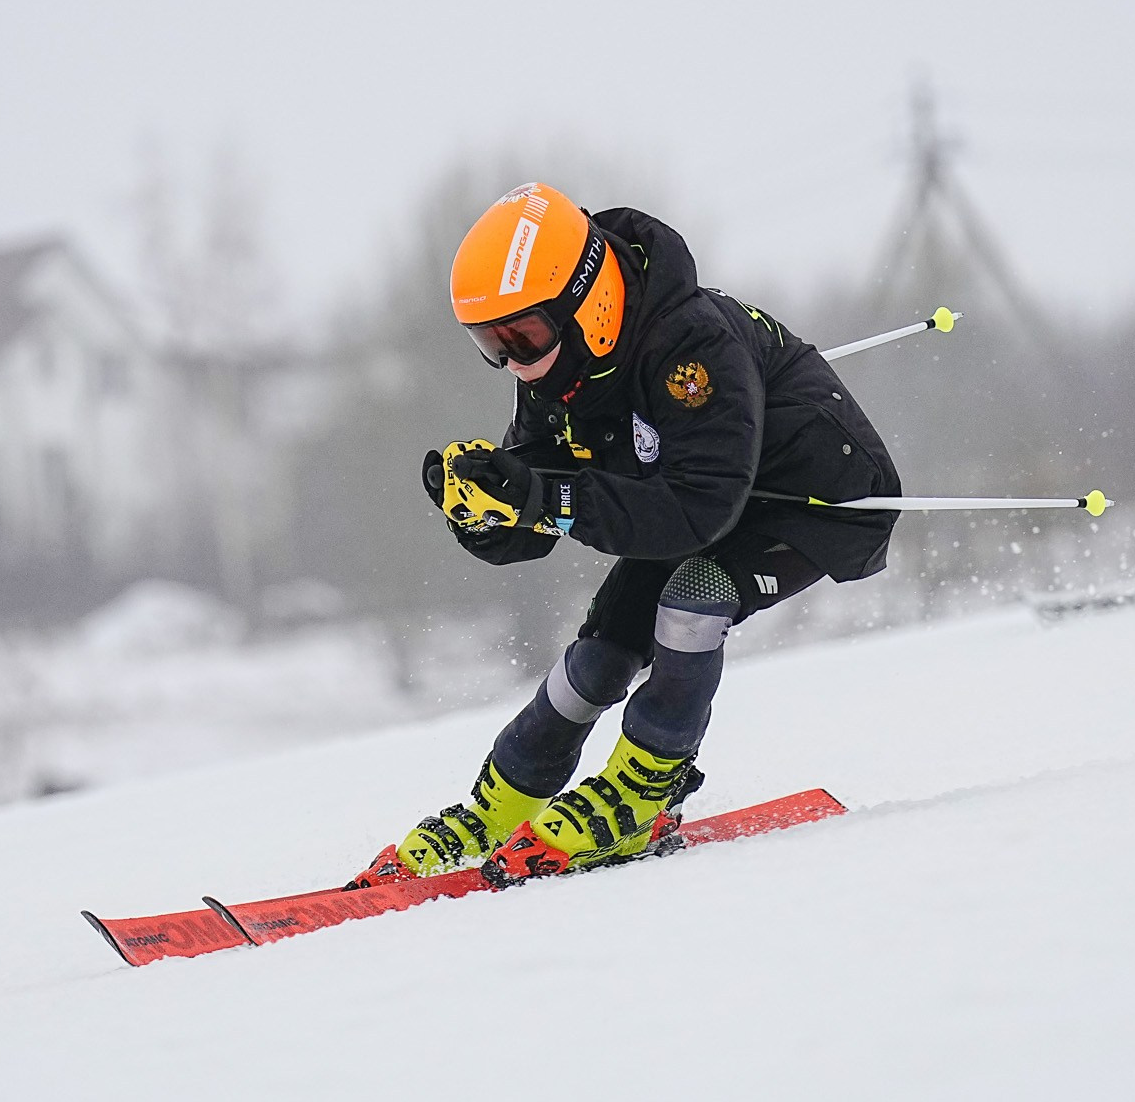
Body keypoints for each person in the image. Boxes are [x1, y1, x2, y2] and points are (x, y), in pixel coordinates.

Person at [353, 182, 900, 885]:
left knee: (692, 600)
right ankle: (502, 803)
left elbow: (699, 511)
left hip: (813, 500)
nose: (513, 362)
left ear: (587, 300)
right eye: (491, 344)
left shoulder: (691, 345)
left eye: (521, 336)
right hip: (694, 499)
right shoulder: (560, 369)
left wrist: (543, 497)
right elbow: (541, 517)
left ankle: (646, 787)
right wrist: (488, 510)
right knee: (602, 649)